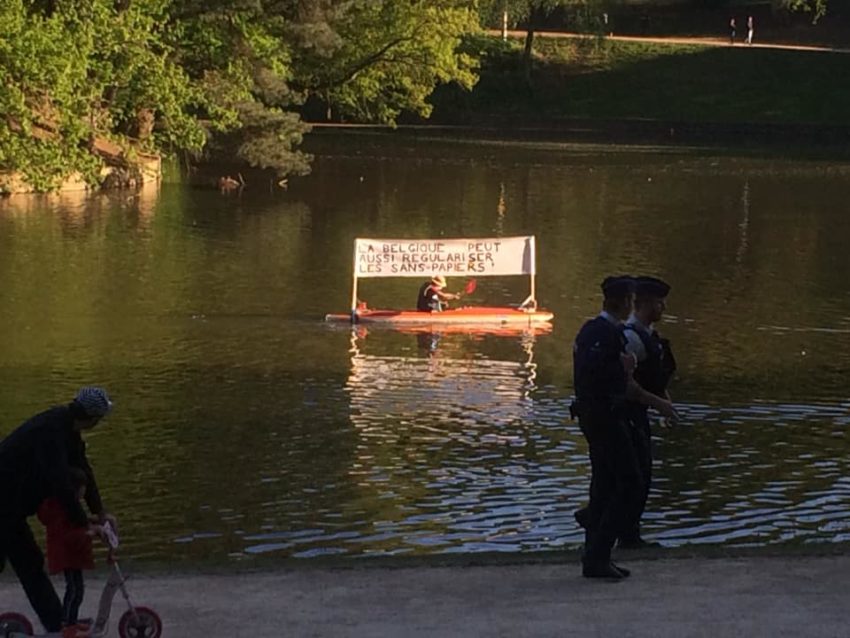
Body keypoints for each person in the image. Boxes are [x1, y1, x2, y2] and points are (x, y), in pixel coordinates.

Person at [571, 276, 677, 579]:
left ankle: (595, 553)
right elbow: (610, 381)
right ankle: (598, 546)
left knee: (606, 484)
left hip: (597, 416)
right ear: (627, 302)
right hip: (607, 416)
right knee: (629, 482)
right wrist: (626, 371)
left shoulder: (593, 331)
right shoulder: (608, 334)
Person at [0, 387, 116, 636]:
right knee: (25, 561)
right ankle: (58, 623)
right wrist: (84, 523)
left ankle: (59, 624)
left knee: (30, 563)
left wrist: (100, 512)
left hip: (12, 507)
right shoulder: (51, 432)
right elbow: (61, 484)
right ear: (92, 418)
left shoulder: (68, 430)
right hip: (4, 504)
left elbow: (83, 470)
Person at [619, 276, 678, 549]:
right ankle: (622, 534)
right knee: (634, 475)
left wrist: (665, 402)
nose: (663, 307)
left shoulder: (649, 336)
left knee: (642, 474)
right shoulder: (631, 338)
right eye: (658, 302)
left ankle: (630, 534)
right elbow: (626, 385)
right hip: (625, 415)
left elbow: (653, 377)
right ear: (642, 304)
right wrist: (659, 404)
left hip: (640, 413)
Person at [37, 467, 104, 632]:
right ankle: (67, 624)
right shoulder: (62, 510)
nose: (84, 492)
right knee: (74, 590)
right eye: (82, 488)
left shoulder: (69, 508)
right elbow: (67, 536)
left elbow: (77, 520)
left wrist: (91, 522)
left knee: (77, 589)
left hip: (71, 556)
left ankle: (71, 621)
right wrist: (89, 533)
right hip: (67, 556)